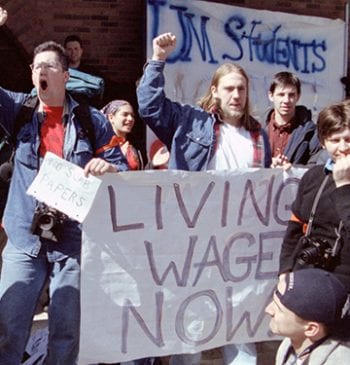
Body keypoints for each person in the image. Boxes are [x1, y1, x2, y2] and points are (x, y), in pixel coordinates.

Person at [0, 7, 128, 364]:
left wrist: (108, 167)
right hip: (24, 241)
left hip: (71, 242)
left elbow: (120, 164)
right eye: (35, 66)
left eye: (48, 66)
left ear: (65, 75)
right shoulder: (19, 110)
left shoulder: (91, 120)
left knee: (66, 332)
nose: (39, 71)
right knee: (9, 326)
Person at [137, 32, 272, 365]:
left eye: (241, 88)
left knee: (239, 328)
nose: (236, 95)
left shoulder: (259, 136)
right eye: (229, 88)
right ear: (215, 91)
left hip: (239, 246)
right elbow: (148, 106)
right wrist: (157, 60)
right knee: (192, 327)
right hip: (194, 244)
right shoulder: (188, 121)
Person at [279, 99, 350, 293]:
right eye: (335, 140)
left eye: (348, 139)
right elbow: (294, 229)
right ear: (323, 143)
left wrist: (343, 185)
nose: (343, 147)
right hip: (307, 272)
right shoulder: (314, 176)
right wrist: (285, 270)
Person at [265, 268, 350, 364]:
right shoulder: (289, 345)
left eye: (279, 309)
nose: (268, 310)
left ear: (311, 329)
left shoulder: (340, 360)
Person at [266, 71, 321, 169]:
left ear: (298, 96)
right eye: (281, 95)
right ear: (271, 96)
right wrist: (267, 163)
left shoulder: (311, 132)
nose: (286, 100)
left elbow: (317, 166)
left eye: (291, 95)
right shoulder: (257, 129)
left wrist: (293, 169)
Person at [101, 99, 144, 170]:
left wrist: (153, 164)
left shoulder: (137, 146)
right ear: (111, 117)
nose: (130, 119)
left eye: (132, 115)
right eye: (125, 114)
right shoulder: (102, 146)